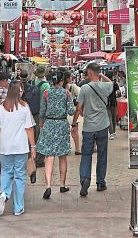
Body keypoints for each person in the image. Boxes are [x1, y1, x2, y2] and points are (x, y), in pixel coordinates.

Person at [0, 82, 37, 217]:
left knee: (6, 172)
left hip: (5, 147)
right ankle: (18, 207)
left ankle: (3, 194)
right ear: (21, 92)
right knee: (19, 176)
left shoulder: (2, 107)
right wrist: (33, 146)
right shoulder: (24, 107)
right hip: (20, 147)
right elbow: (29, 128)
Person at [73, 61, 113, 197]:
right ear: (98, 73)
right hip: (103, 125)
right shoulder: (105, 87)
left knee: (86, 154)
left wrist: (74, 123)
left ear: (89, 73)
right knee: (102, 154)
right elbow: (111, 83)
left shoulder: (84, 88)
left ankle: (85, 179)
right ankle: (101, 182)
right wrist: (102, 75)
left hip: (89, 126)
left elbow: (79, 108)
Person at [37, 70, 73, 199]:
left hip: (49, 124)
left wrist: (41, 123)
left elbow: (42, 111)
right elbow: (71, 111)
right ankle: (62, 185)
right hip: (62, 125)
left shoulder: (46, 93)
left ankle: (48, 186)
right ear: (62, 81)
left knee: (49, 156)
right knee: (62, 156)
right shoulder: (66, 93)